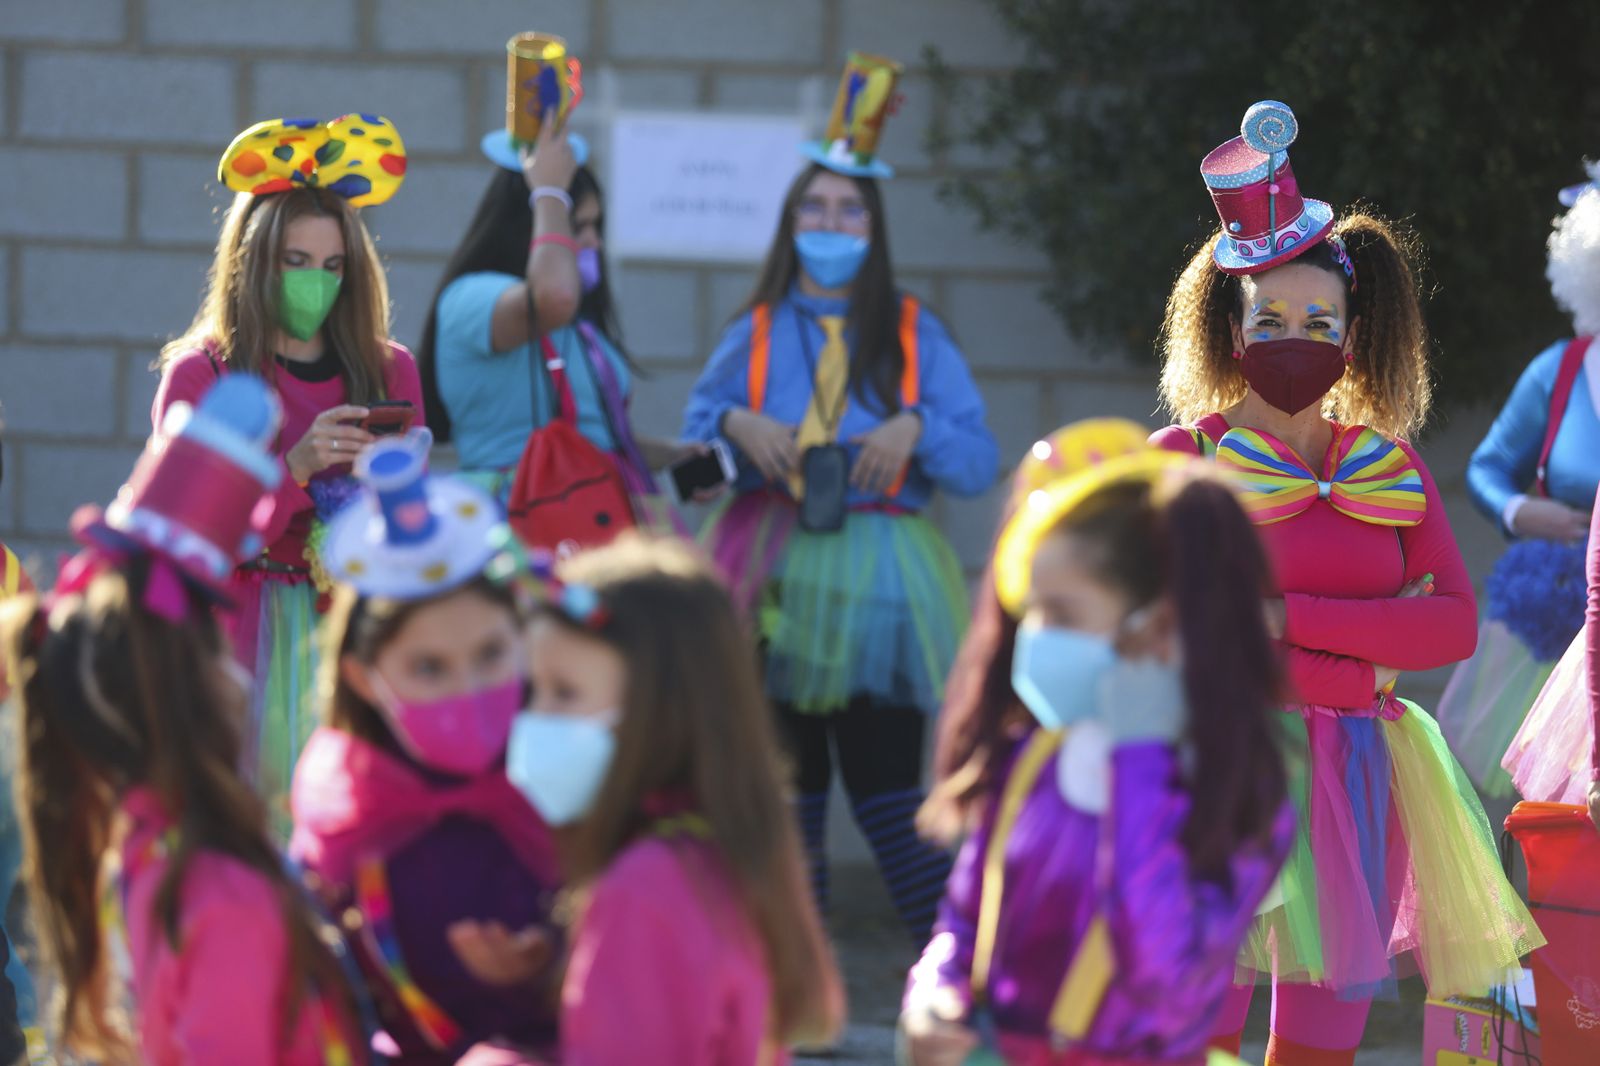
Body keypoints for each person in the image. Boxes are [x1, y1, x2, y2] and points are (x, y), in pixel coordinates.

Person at [1151, 100, 1540, 1064]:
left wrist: (1278, 615)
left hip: (1356, 779)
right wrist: (1363, 663)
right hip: (1214, 771)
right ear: (1232, 327)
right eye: (1272, 318)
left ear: (1353, 335)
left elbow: (1452, 626)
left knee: (1320, 1048)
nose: (1296, 336)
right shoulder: (1183, 460)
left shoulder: (1389, 466)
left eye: (1319, 320)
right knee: (1191, 1039)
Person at [681, 53, 998, 941]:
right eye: (813, 208)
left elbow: (976, 464)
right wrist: (734, 422)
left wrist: (915, 428)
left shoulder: (912, 331)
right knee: (788, 804)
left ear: (873, 226)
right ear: (790, 224)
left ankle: (959, 976)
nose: (830, 222)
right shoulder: (752, 330)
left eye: (848, 209)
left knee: (893, 797)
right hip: (768, 574)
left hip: (880, 586)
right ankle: (800, 993)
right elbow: (692, 463)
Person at [901, 422, 1293, 1066]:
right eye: (1031, 612)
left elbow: (1161, 975)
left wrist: (1138, 760)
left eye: (1061, 614)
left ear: (1158, 624)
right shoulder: (1032, 760)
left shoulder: (1235, 792)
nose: (1036, 636)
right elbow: (964, 922)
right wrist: (932, 994)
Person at [0, 375, 359, 1064]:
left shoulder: (143, 851)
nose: (238, 673)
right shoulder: (219, 896)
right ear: (185, 697)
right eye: (216, 653)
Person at [153, 114, 425, 817]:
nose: (316, 283)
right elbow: (186, 537)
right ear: (251, 263)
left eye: (333, 266)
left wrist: (389, 486)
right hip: (237, 631)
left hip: (352, 634)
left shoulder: (390, 369)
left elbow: (412, 533)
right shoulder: (203, 373)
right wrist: (294, 468)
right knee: (243, 824)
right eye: (294, 262)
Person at [506, 534, 845, 1062]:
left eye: (565, 693)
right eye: (534, 691)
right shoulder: (720, 851)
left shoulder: (645, 886)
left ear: (661, 708)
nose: (535, 719)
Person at [290, 432, 561, 1064]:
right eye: (429, 668)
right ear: (364, 678)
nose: (467, 688)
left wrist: (555, 964)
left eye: (491, 655)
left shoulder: (570, 779)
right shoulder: (345, 819)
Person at [416, 106, 699, 512]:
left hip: (595, 513)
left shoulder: (579, 327)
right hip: (516, 520)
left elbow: (592, 439)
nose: (593, 243)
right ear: (526, 226)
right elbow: (555, 297)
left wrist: (672, 455)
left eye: (596, 227)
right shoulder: (471, 296)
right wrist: (549, 193)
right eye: (577, 226)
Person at [1438, 166, 1600, 799]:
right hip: (1557, 615)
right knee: (1543, 803)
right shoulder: (1558, 371)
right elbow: (1486, 468)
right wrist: (1520, 514)